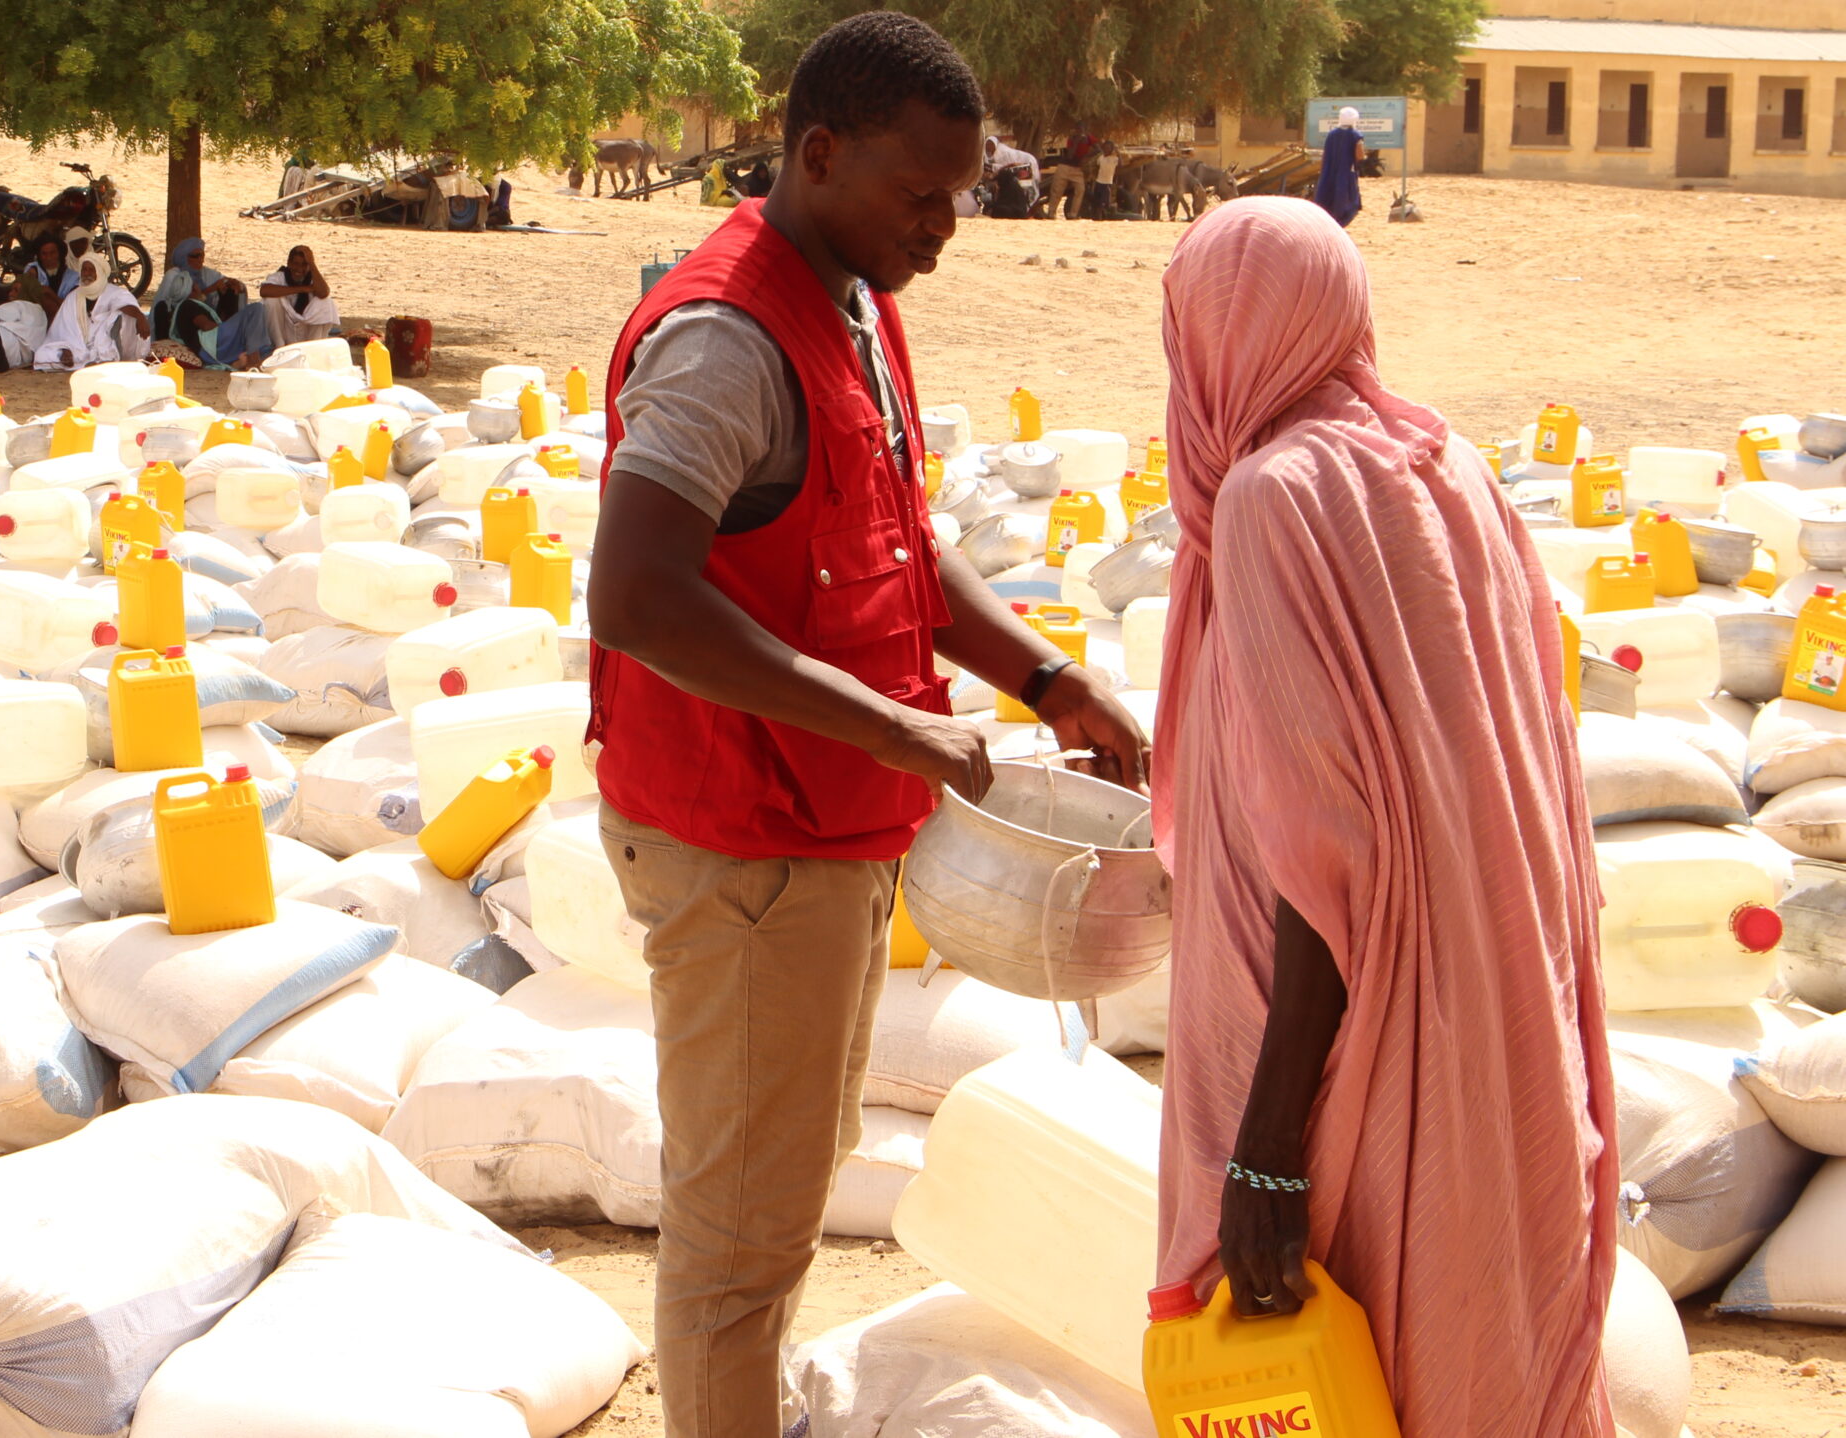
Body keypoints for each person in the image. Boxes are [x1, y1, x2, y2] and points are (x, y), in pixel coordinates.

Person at [583, 16, 1147, 1437]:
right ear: (818, 154)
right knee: (738, 1240)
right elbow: (639, 592)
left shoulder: (850, 293)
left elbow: (895, 539)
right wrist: (901, 732)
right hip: (740, 844)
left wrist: (1047, 679)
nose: (946, 227)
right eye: (921, 194)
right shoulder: (724, 339)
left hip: (815, 828)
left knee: (777, 1188)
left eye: (961, 194)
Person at [1150, 198, 1614, 1435]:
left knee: (1334, 1376)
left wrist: (1264, 1154)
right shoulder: (1445, 466)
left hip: (1324, 1045)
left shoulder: (1271, 499)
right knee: (1473, 1350)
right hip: (1486, 1005)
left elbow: (1325, 853)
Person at [151, 238, 269, 369]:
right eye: (195, 256)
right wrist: (235, 327)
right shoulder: (188, 306)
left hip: (213, 345)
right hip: (212, 346)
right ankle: (252, 360)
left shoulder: (192, 302)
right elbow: (208, 327)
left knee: (262, 343)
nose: (200, 259)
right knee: (255, 309)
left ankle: (244, 359)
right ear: (187, 291)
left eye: (202, 255)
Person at [35, 252, 142, 370]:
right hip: (77, 346)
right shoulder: (74, 296)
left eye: (91, 270)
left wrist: (141, 318)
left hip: (103, 342)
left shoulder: (114, 292)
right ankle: (85, 361)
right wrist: (65, 349)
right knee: (42, 354)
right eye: (84, 270)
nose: (86, 273)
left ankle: (102, 360)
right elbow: (63, 328)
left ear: (100, 272)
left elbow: (128, 304)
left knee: (120, 315)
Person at [259, 245, 339, 348]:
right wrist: (302, 289)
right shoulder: (280, 276)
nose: (299, 269)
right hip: (284, 333)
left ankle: (313, 348)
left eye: (304, 264)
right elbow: (264, 291)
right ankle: (279, 347)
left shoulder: (312, 278)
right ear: (289, 263)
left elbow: (324, 293)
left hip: (306, 333)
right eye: (296, 264)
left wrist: (311, 263)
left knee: (325, 302)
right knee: (271, 300)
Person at [1315, 107, 1364, 228]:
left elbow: (1325, 155)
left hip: (1328, 172)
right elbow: (1360, 154)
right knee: (1348, 202)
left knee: (1327, 199)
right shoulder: (1355, 135)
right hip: (1346, 173)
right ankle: (1340, 225)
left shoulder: (1331, 135)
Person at [14, 236, 73, 317]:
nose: (48, 258)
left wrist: (50, 293)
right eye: (44, 254)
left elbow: (73, 306)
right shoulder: (33, 271)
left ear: (59, 254)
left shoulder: (72, 277)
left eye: (52, 253)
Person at [1087, 141, 1120, 219]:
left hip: (1107, 183)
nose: (1106, 150)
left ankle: (1103, 217)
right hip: (1099, 182)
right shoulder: (1100, 158)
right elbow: (1097, 166)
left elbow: (1120, 165)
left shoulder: (1114, 159)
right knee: (1096, 202)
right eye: (1105, 148)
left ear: (1111, 149)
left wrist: (1119, 154)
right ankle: (1097, 217)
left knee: (1104, 203)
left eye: (1108, 148)